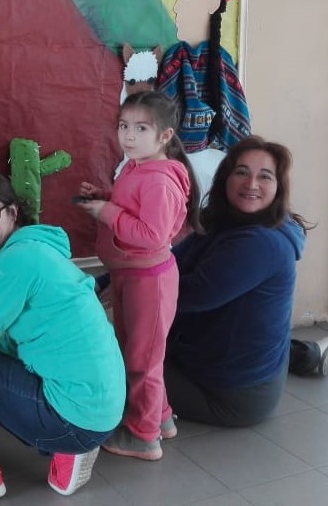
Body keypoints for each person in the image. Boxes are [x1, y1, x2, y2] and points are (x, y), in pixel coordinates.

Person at [0, 170, 125, 498]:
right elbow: (4, 338)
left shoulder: (17, 259)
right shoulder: (39, 247)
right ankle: (67, 450)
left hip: (75, 419)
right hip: (102, 411)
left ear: (12, 212)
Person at [77, 91, 200, 461]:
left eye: (141, 128)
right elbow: (134, 205)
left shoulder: (159, 180)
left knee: (142, 360)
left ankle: (143, 437)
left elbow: (152, 234)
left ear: (165, 135)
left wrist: (106, 213)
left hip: (150, 281)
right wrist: (105, 197)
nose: (128, 136)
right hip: (130, 274)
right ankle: (160, 419)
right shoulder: (136, 166)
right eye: (123, 126)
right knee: (138, 352)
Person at [165, 136, 322, 427]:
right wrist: (106, 281)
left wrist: (124, 288)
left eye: (265, 176)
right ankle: (307, 355)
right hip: (234, 366)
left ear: (278, 187)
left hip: (233, 396)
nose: (251, 184)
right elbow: (171, 260)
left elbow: (189, 296)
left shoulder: (261, 243)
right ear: (226, 177)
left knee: (116, 367)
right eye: (241, 172)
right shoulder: (227, 220)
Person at [156, 0, 251, 203]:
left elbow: (235, 129)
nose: (176, 6)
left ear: (213, 2)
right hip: (174, 172)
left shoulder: (222, 63)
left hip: (210, 173)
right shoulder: (174, 58)